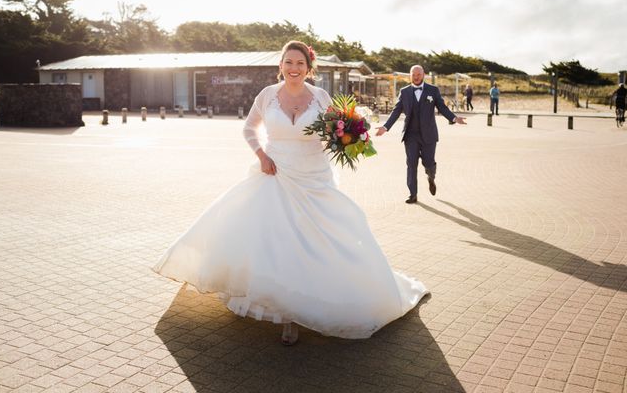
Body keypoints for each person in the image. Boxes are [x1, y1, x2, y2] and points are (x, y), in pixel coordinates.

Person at [152, 41, 428, 346]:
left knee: (316, 240)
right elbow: (248, 129)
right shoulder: (267, 95)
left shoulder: (321, 97)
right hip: (274, 173)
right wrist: (262, 156)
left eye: (300, 63)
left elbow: (338, 131)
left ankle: (304, 308)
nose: (294, 69)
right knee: (274, 241)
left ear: (309, 68)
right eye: (288, 62)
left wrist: (348, 139)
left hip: (313, 179)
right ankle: (282, 311)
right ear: (280, 65)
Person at [376, 65, 466, 204]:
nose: (416, 77)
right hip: (411, 135)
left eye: (419, 74)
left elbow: (442, 107)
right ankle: (413, 194)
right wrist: (385, 127)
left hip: (429, 134)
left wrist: (454, 118)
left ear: (423, 75)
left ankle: (431, 177)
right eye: (414, 74)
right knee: (411, 164)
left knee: (428, 163)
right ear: (410, 76)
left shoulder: (433, 90)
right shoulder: (404, 92)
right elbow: (396, 111)